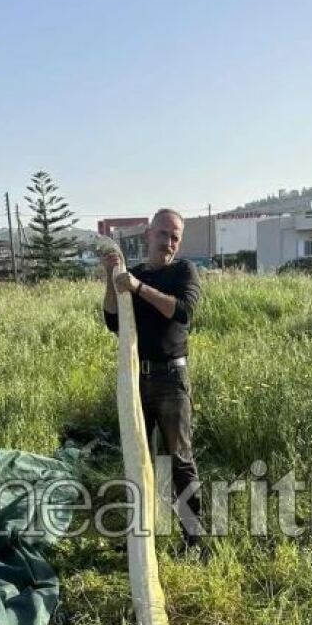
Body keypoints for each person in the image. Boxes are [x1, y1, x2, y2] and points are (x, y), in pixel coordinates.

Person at [101, 209, 204, 549]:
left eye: (175, 237)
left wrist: (138, 287)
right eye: (163, 234)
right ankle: (140, 538)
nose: (169, 242)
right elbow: (113, 322)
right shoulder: (134, 274)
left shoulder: (183, 271)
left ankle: (193, 539)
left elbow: (183, 311)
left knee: (179, 459)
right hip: (136, 379)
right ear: (148, 235)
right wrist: (112, 279)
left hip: (172, 379)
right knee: (138, 456)